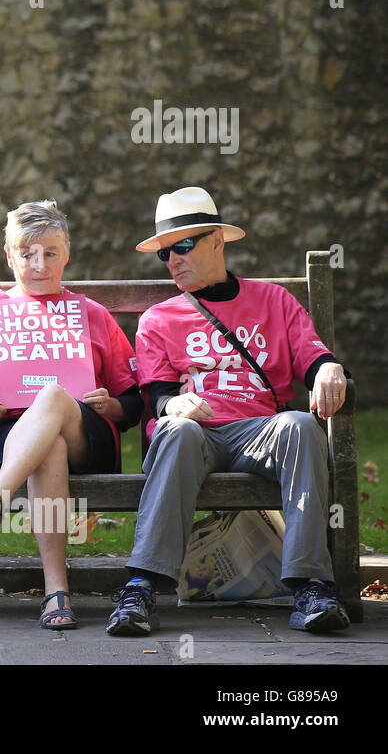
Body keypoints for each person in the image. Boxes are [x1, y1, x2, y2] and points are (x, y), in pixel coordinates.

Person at [106, 187, 350, 636]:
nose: (173, 259)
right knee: (176, 431)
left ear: (218, 241)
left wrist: (330, 367)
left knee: (300, 424)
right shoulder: (159, 319)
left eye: (183, 246)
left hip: (261, 430)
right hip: (196, 433)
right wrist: (174, 403)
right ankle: (141, 588)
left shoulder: (274, 301)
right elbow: (155, 395)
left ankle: (311, 586)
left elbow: (314, 357)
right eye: (164, 254)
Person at [0, 201, 141, 629]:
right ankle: (56, 595)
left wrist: (114, 405)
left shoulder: (92, 314)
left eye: (50, 252)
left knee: (51, 395)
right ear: (9, 255)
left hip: (89, 438)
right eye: (26, 253)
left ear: (66, 252)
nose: (38, 263)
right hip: (11, 442)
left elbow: (133, 401)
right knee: (51, 447)